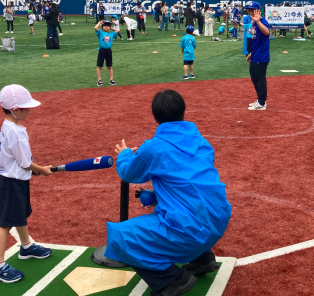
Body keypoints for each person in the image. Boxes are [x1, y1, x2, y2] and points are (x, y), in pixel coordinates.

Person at [104, 89, 231, 296]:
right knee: (180, 205)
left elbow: (128, 173)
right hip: (219, 218)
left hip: (190, 228)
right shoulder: (201, 142)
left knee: (120, 236)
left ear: (156, 117)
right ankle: (202, 259)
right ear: (183, 111)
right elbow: (187, 182)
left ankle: (171, 281)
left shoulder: (153, 147)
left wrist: (125, 154)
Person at [0, 84, 53, 283]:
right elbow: (25, 162)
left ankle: (26, 246)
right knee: (5, 225)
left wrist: (32, 170)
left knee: (20, 216)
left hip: (17, 179)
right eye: (27, 107)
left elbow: (20, 162)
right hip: (11, 183)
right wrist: (40, 169)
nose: (30, 110)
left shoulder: (11, 125)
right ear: (15, 110)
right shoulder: (15, 132)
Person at [246, 2, 270, 111]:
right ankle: (259, 99)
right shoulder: (254, 23)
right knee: (254, 78)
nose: (250, 11)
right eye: (249, 10)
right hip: (255, 56)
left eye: (253, 10)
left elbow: (266, 32)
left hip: (261, 57)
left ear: (258, 10)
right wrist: (251, 54)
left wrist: (258, 21)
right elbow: (256, 41)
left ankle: (262, 103)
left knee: (260, 80)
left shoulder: (262, 21)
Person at [94, 20, 119, 86]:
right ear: (102, 27)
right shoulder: (100, 32)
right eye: (105, 26)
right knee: (99, 66)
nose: (106, 27)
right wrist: (99, 23)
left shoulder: (111, 34)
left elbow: (117, 31)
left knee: (109, 66)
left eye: (108, 26)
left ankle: (111, 79)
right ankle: (99, 80)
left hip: (108, 51)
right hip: (102, 50)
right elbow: (96, 28)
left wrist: (111, 28)